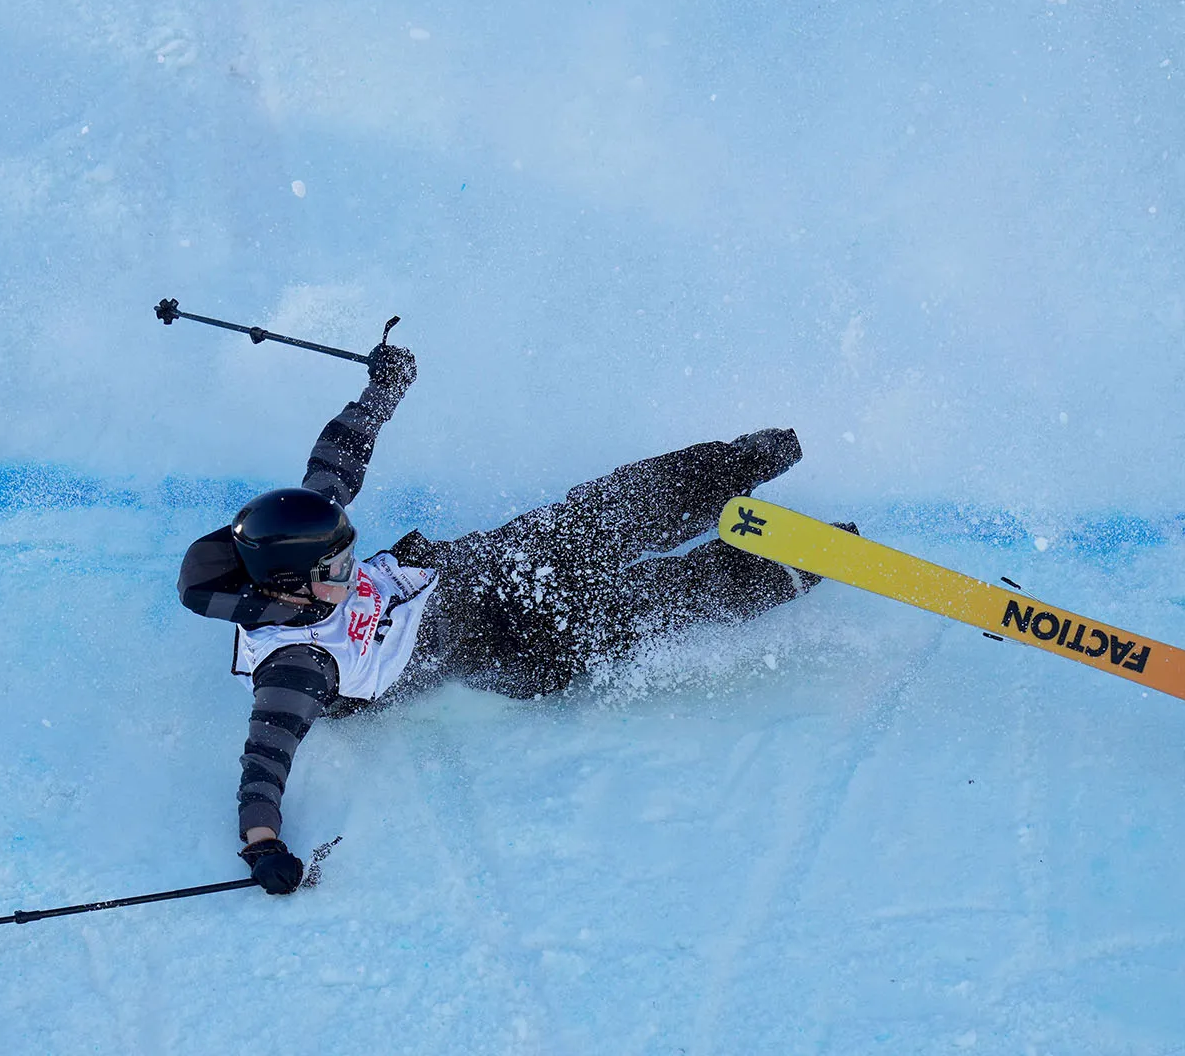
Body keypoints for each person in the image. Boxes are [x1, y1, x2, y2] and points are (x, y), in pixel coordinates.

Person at [178, 344, 837, 894]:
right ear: (292, 593)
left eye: (350, 550)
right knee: (637, 602)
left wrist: (382, 389)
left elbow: (335, 463)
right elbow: (264, 761)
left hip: (473, 568)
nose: (352, 568)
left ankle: (743, 463)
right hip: (509, 648)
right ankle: (789, 564)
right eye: (338, 569)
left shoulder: (302, 542)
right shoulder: (296, 667)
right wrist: (264, 849)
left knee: (597, 516)